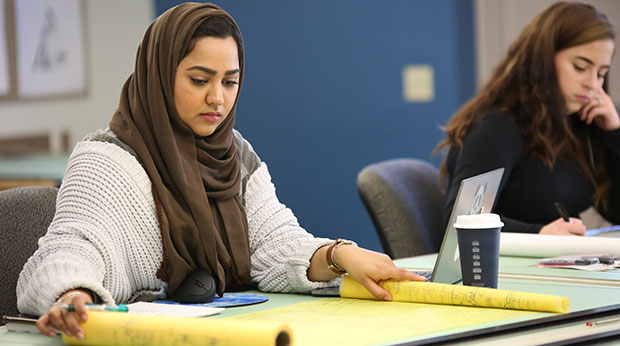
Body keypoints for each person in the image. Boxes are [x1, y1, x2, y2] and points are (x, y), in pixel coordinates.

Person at [17, 3, 423, 340]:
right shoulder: (105, 159)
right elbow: (70, 247)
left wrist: (339, 255)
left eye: (230, 82)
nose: (218, 98)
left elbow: (274, 244)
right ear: (159, 74)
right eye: (199, 80)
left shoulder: (235, 154)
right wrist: (72, 292)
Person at [435, 2, 619, 235]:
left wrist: (613, 133)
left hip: (554, 263)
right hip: (499, 267)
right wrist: (539, 234)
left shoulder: (579, 122)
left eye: (601, 73)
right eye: (580, 67)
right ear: (542, 60)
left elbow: (615, 211)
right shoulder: (498, 125)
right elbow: (461, 221)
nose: (593, 84)